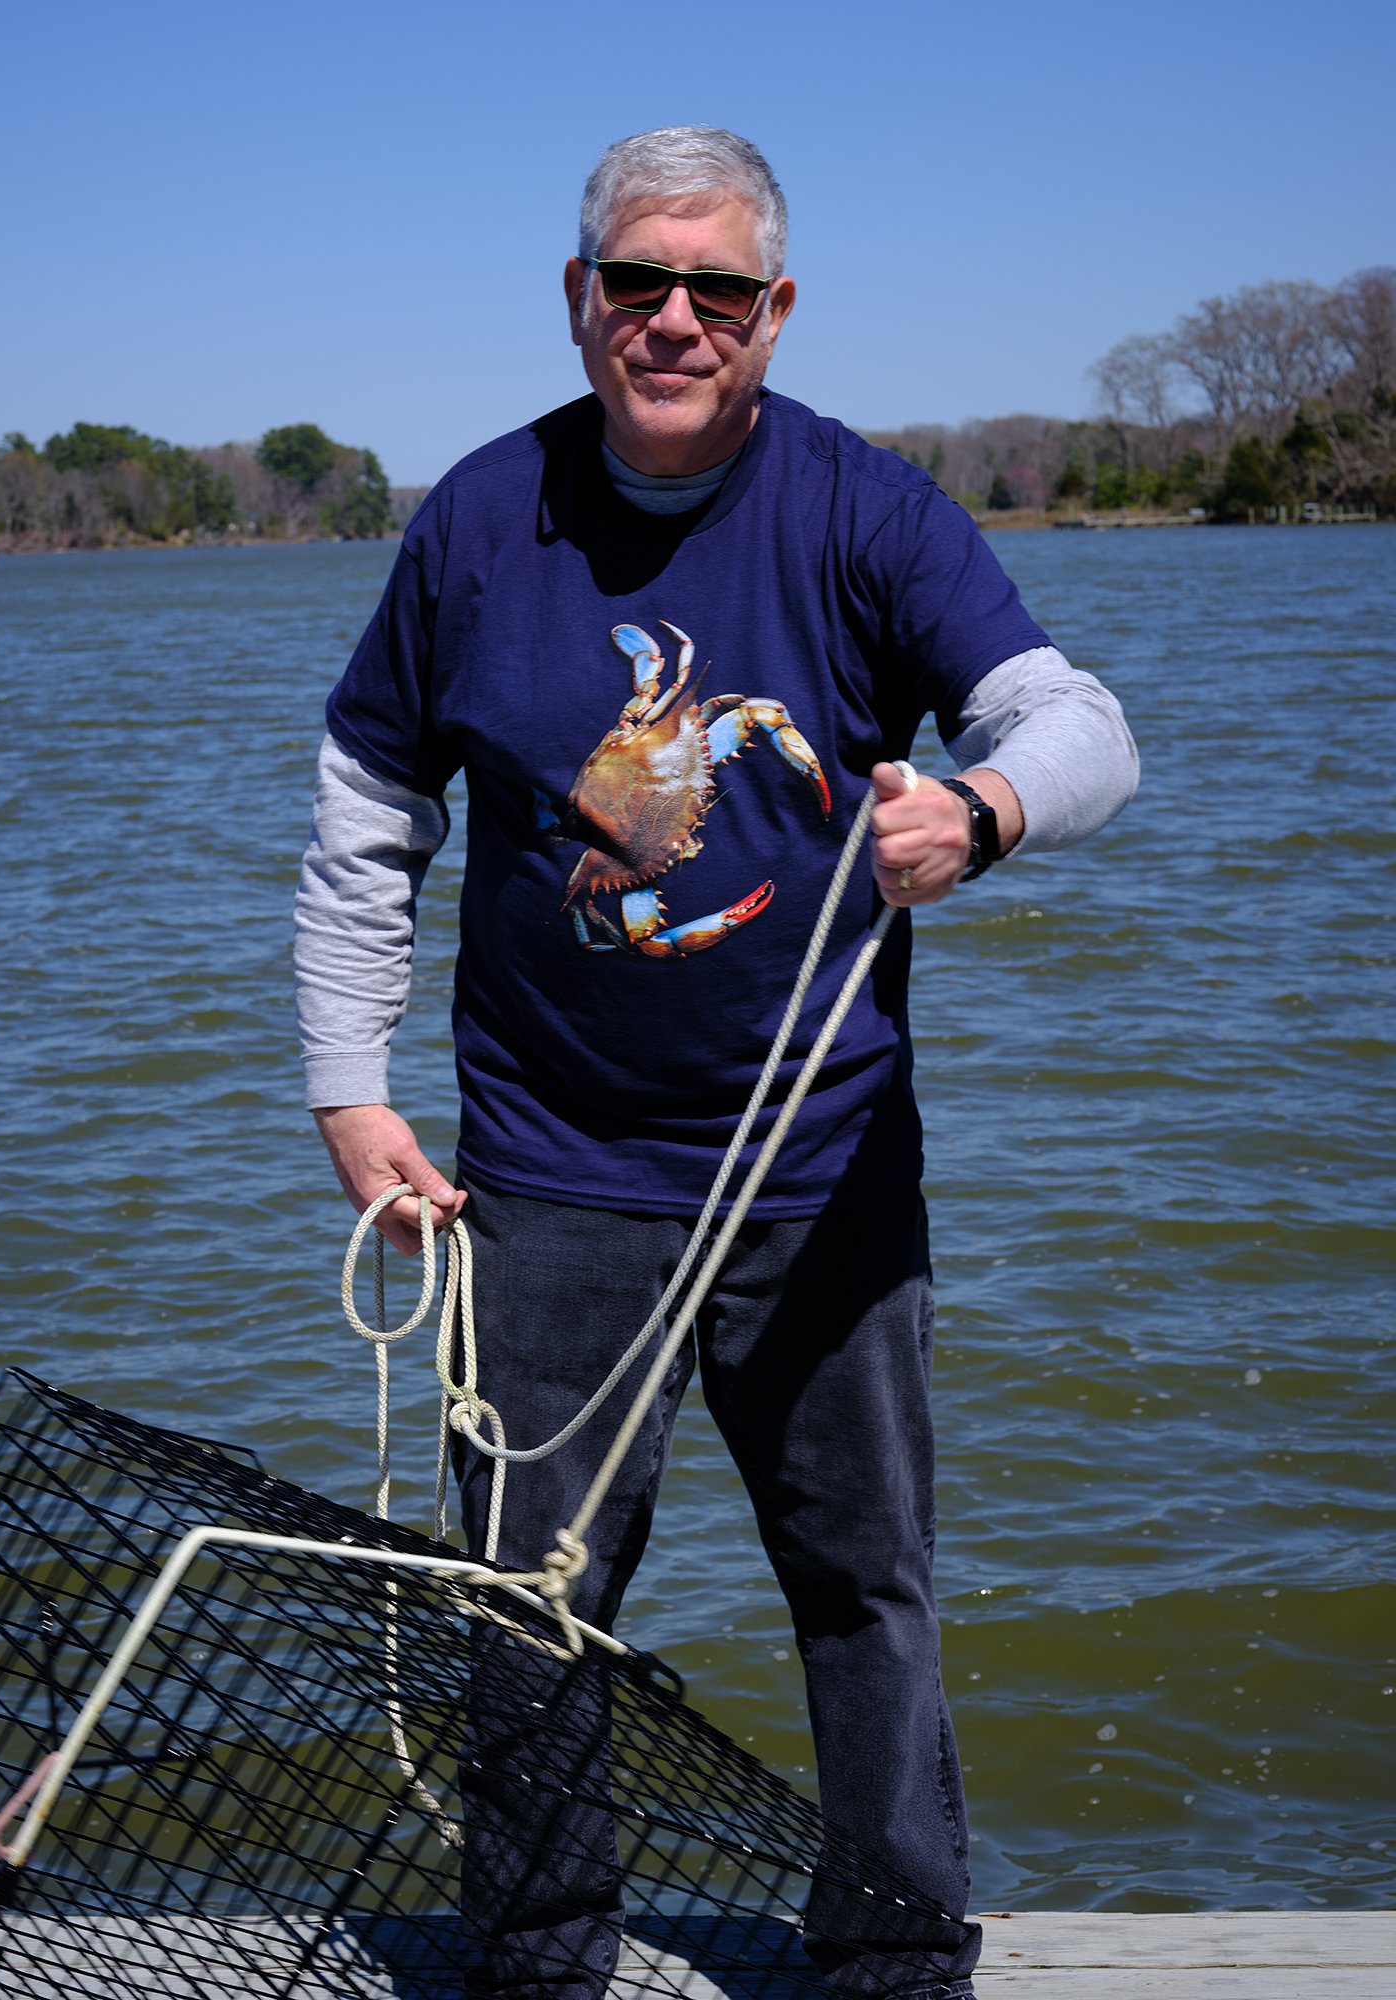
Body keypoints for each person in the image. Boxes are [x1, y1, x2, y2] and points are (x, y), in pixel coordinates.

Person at [296, 127, 1137, 1999]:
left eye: (720, 291)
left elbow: (1078, 722)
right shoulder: (473, 516)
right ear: (578, 297)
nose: (675, 320)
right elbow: (367, 813)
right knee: (527, 1602)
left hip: (819, 1168)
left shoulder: (867, 511)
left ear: (775, 313)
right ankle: (538, 1959)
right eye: (636, 283)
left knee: (867, 1592)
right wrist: (350, 1092)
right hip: (546, 1171)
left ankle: (894, 1963)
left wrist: (987, 808)